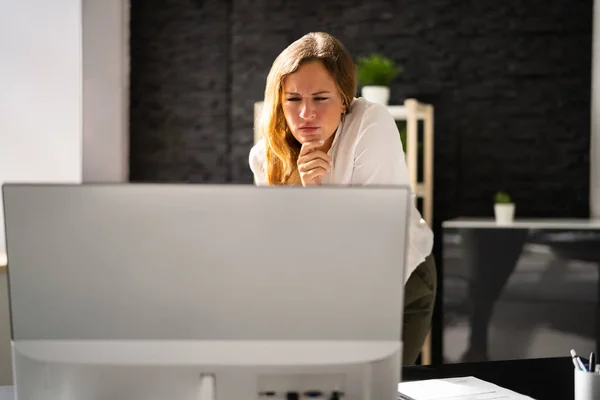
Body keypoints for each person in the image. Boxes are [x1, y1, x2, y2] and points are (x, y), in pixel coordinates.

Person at [248, 31, 436, 365]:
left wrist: (316, 195)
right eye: (293, 99)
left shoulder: (370, 124)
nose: (306, 114)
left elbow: (371, 241)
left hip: (397, 279)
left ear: (344, 99)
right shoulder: (266, 157)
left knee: (378, 388)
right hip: (325, 286)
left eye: (321, 98)